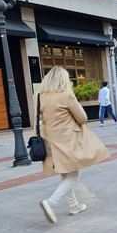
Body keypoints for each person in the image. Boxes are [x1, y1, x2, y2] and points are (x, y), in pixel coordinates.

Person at [36, 67, 110, 224]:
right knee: (74, 174)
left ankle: (74, 205)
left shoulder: (38, 96)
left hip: (49, 141)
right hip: (68, 140)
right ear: (63, 79)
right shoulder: (66, 95)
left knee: (65, 172)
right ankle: (51, 202)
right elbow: (82, 118)